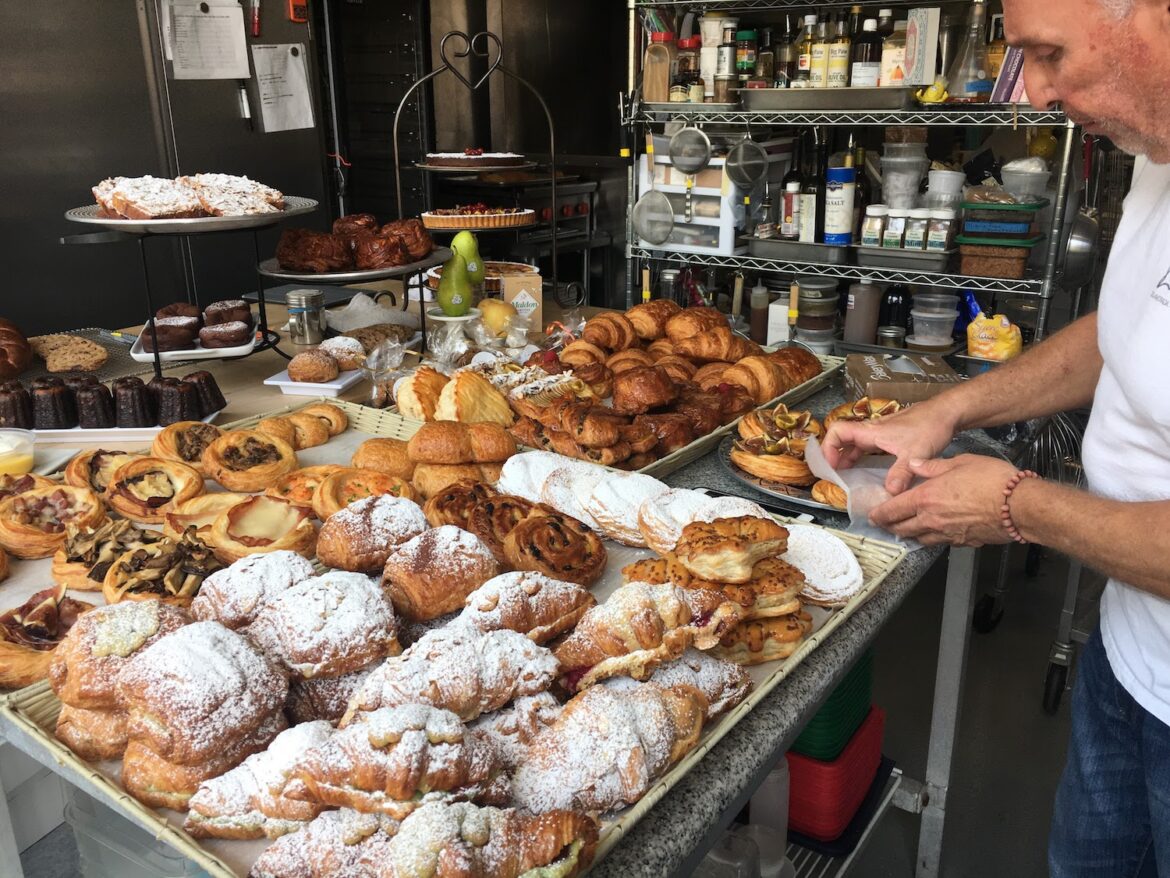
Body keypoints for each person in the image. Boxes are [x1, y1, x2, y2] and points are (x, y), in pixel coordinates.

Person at [822, 0, 1170, 873]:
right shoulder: (1156, 153)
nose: (1038, 96)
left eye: (1049, 55)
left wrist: (1019, 505)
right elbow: (1119, 332)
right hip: (1130, 651)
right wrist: (951, 408)